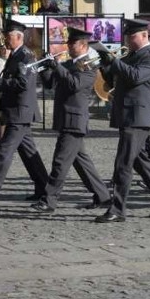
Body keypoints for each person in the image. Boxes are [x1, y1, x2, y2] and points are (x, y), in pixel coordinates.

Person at [94, 19, 150, 223]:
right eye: (128, 37)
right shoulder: (131, 55)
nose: (129, 41)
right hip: (127, 114)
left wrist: (115, 62)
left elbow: (135, 76)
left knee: (123, 163)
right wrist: (106, 65)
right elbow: (116, 79)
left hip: (137, 117)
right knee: (141, 162)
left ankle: (118, 209)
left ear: (144, 36)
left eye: (132, 37)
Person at [32, 27, 111, 213]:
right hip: (65, 118)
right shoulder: (69, 64)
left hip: (75, 120)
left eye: (72, 43)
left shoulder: (90, 65)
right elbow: (51, 83)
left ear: (83, 45)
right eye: (68, 43)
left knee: (60, 161)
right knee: (81, 161)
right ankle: (103, 196)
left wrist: (57, 66)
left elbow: (74, 84)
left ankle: (49, 200)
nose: (68, 46)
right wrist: (44, 66)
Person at [0, 19, 48, 201]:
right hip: (17, 111)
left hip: (20, 111)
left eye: (8, 36)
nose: (5, 40)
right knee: (28, 154)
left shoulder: (25, 56)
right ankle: (44, 188)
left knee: (5, 152)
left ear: (19, 37)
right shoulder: (16, 54)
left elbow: (22, 83)